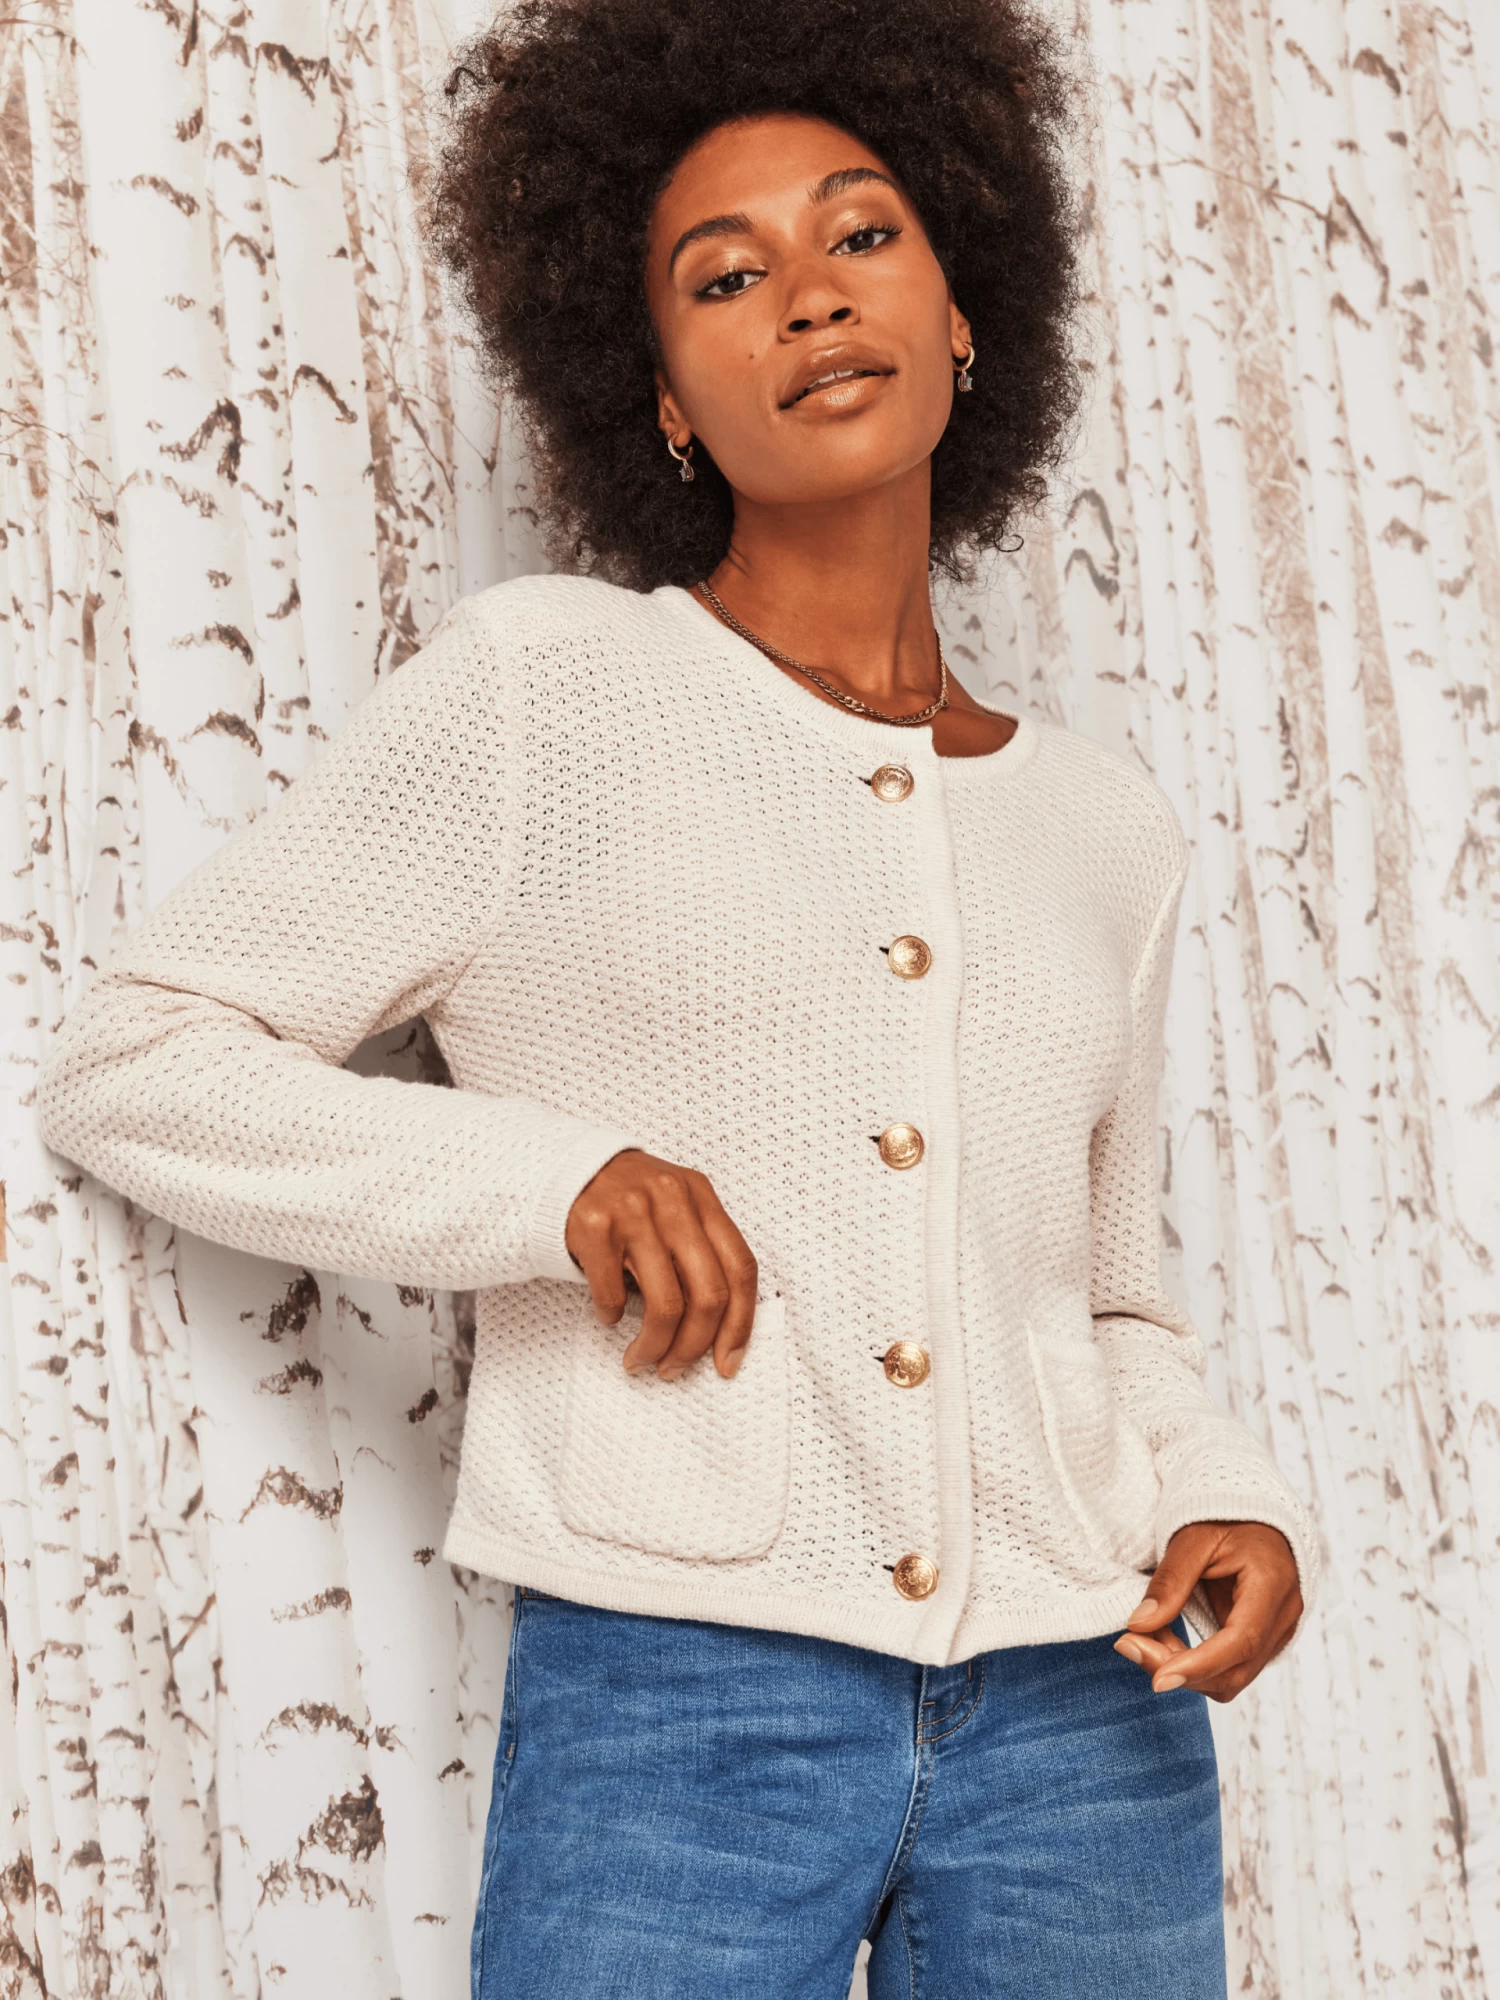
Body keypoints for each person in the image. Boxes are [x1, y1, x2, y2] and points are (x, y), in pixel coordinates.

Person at [37, 0, 1319, 1991]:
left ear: (965, 314)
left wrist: (1227, 1498)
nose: (811, 296)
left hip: (1095, 1700)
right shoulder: (548, 694)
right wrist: (555, 1185)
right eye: (726, 278)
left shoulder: (1104, 826)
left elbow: (1109, 1297)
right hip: (684, 1690)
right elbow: (139, 1058)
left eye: (864, 234)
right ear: (660, 399)